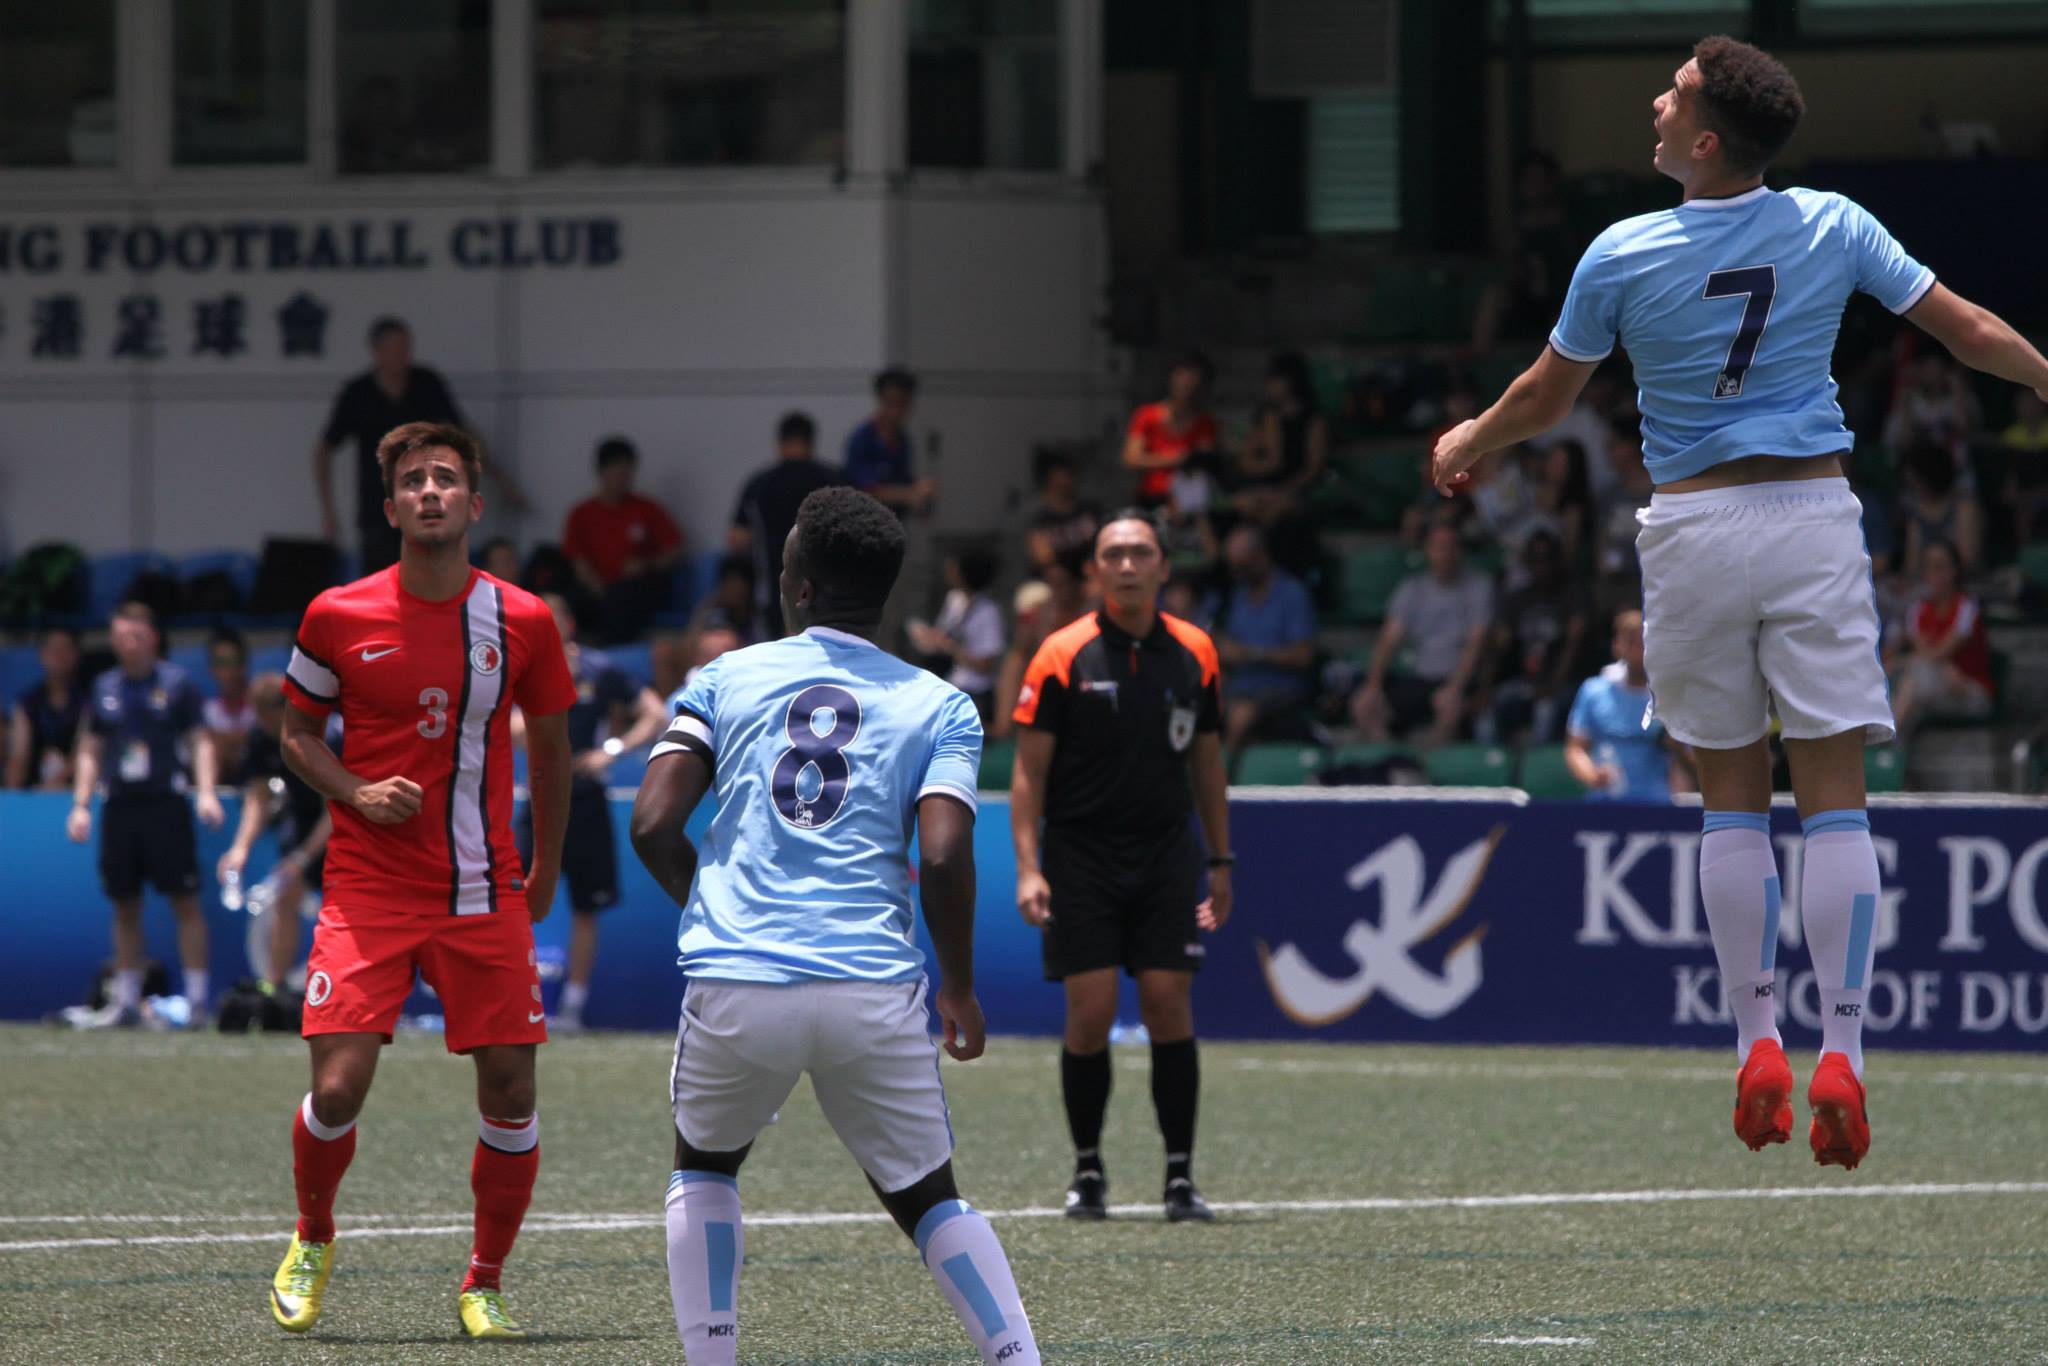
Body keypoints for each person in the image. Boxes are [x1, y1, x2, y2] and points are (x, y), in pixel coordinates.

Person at [1430, 34, 2048, 1171]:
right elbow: (1963, 330)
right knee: (1835, 804)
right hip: (1809, 520)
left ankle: (1755, 1037)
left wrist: (1468, 437)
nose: (1652, 103)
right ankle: (1843, 1050)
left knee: (1727, 801)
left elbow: (1542, 393)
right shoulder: (1831, 223)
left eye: (1670, 94)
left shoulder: (1619, 251)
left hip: (1694, 530)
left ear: (1703, 138)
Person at [630, 486, 1041, 1366]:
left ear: (801, 587)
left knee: (704, 1169)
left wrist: (717, 908)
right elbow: (941, 857)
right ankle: (1017, 1358)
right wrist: (959, 986)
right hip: (870, 983)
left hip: (738, 981)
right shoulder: (942, 704)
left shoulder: (725, 677)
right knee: (932, 1199)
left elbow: (654, 827)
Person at [268, 421, 576, 1340]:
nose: (431, 492)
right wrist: (357, 789)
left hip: (484, 894)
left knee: (513, 1092)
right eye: (414, 481)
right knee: (338, 1089)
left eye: (446, 479)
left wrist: (547, 871)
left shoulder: (522, 618)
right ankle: (313, 1234)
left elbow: (553, 759)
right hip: (368, 890)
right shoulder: (335, 613)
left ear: (474, 505)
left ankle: (483, 1281)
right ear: (393, 506)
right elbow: (293, 737)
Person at [1010, 510, 1233, 1224]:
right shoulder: (1061, 653)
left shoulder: (1196, 652)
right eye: (1114, 554)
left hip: (1169, 854)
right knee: (1092, 1014)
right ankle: (1088, 1170)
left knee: (1170, 1004)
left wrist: (1221, 860)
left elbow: (1207, 760)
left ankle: (1179, 1177)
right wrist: (1027, 867)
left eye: (1141, 553)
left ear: (1165, 567)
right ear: (1095, 571)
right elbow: (1028, 775)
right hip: (1081, 855)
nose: (1128, 565)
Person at [511, 592, 667, 1032]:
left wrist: (611, 750)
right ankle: (518, 1000)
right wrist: (537, 722)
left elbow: (654, 713)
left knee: (586, 907)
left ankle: (574, 1009)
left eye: (552, 620)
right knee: (517, 900)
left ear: (568, 624)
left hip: (587, 798)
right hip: (539, 796)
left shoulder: (598, 670)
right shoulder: (522, 670)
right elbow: (504, 726)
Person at [64, 602, 224, 1026]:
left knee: (184, 900)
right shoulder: (104, 687)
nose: (127, 645)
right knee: (124, 904)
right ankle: (127, 1001)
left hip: (165, 805)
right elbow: (90, 748)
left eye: (135, 636)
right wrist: (81, 804)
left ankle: (195, 1001)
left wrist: (206, 792)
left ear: (152, 637)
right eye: (120, 638)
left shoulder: (177, 683)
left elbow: (200, 740)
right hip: (120, 806)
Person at [313, 317, 526, 575]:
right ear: (377, 352)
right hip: (377, 508)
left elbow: (462, 434)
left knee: (431, 574)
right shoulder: (358, 393)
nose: (403, 356)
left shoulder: (425, 384)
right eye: (395, 350)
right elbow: (325, 449)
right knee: (382, 583)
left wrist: (500, 480)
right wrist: (328, 510)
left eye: (406, 348)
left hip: (427, 504)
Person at [219, 673, 334, 994]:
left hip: (344, 826)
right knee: (287, 897)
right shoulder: (260, 736)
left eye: (265, 717)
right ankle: (276, 988)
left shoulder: (327, 734)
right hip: (299, 824)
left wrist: (301, 858)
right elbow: (258, 797)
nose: (261, 724)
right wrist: (239, 849)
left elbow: (336, 810)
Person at [1350, 521, 1495, 746]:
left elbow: (1476, 644)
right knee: (1364, 705)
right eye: (1438, 547)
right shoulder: (1412, 588)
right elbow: (1388, 641)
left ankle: (1434, 772)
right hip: (1420, 677)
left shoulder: (1479, 587)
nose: (1444, 554)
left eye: (1450, 547)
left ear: (1460, 551)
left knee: (1449, 705)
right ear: (1428, 551)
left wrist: (1455, 687)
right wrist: (1373, 685)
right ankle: (1392, 761)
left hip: (1459, 678)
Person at [729, 412, 847, 638]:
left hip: (775, 586)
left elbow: (736, 539)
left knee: (779, 654)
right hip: (828, 587)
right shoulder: (834, 480)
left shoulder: (760, 484)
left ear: (780, 442)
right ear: (811, 441)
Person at [562, 436, 686, 643]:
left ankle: (611, 655)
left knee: (626, 596)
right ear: (602, 473)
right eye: (618, 472)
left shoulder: (647, 509)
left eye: (628, 472)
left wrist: (647, 565)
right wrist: (598, 587)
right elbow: (578, 562)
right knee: (569, 599)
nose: (624, 478)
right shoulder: (582, 513)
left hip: (638, 587)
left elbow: (674, 550)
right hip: (597, 589)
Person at [1214, 524, 1317, 754]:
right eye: (1233, 567)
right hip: (1240, 685)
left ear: (1261, 557)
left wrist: (1252, 654)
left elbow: (1304, 655)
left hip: (1281, 689)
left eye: (1242, 567)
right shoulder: (1239, 595)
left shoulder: (1292, 593)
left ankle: (1225, 782)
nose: (1236, 573)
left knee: (1241, 713)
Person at [1477, 530, 1586, 745]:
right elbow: (1500, 647)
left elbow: (1574, 645)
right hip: (1523, 681)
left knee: (1544, 711)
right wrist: (1485, 689)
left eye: (1546, 559)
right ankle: (1491, 765)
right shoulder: (1517, 598)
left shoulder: (1573, 596)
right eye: (1535, 559)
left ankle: (1535, 772)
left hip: (1560, 683)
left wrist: (1552, 684)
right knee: (1488, 713)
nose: (1541, 566)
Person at [1564, 611, 1686, 801]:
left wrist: (1677, 746)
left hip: (1658, 806)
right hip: (1603, 805)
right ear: (1617, 645)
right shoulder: (1593, 690)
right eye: (1631, 641)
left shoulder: (1672, 694)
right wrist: (1591, 774)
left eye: (1644, 642)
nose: (1638, 649)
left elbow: (1690, 760)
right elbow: (1576, 748)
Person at [1887, 539, 1993, 738]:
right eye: (1928, 567)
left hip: (1968, 690)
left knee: (1915, 673)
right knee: (1913, 681)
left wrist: (1930, 662)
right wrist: (1945, 667)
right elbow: (1923, 653)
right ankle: (1892, 750)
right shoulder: (1918, 610)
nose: (1933, 574)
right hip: (1934, 684)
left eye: (1940, 567)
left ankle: (1887, 739)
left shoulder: (1966, 607)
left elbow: (1937, 653)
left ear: (1955, 571)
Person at [909, 547, 1005, 720]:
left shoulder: (988, 612)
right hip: (949, 682)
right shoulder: (954, 599)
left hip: (975, 692)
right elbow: (942, 633)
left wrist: (951, 647)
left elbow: (986, 665)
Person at [1123, 353, 1218, 507]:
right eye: (1183, 379)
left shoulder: (1206, 423)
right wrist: (1177, 459)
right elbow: (1131, 458)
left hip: (1190, 503)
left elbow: (1204, 461)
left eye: (1193, 382)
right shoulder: (1146, 415)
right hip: (1152, 498)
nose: (1186, 386)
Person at [843, 367, 937, 517]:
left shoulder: (903, 440)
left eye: (903, 403)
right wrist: (909, 494)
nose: (897, 411)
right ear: (880, 399)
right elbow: (865, 490)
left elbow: (905, 481)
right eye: (892, 402)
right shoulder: (863, 440)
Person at [6, 625, 83, 790]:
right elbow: (19, 756)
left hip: (77, 789)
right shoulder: (27, 704)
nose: (59, 655)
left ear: (76, 655)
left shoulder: (89, 701)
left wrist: (56, 783)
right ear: (42, 655)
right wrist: (11, 798)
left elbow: (85, 751)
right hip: (35, 791)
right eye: (53, 649)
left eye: (65, 649)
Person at [1024, 448, 1099, 576]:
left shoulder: (1091, 509)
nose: (1073, 477)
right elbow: (1043, 558)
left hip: (1091, 576)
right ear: (1050, 476)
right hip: (1054, 582)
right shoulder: (1037, 517)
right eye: (1066, 473)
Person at [204, 626, 256, 786]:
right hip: (223, 781)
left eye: (230, 662)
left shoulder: (259, 707)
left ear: (243, 666)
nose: (225, 670)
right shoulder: (208, 710)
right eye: (219, 663)